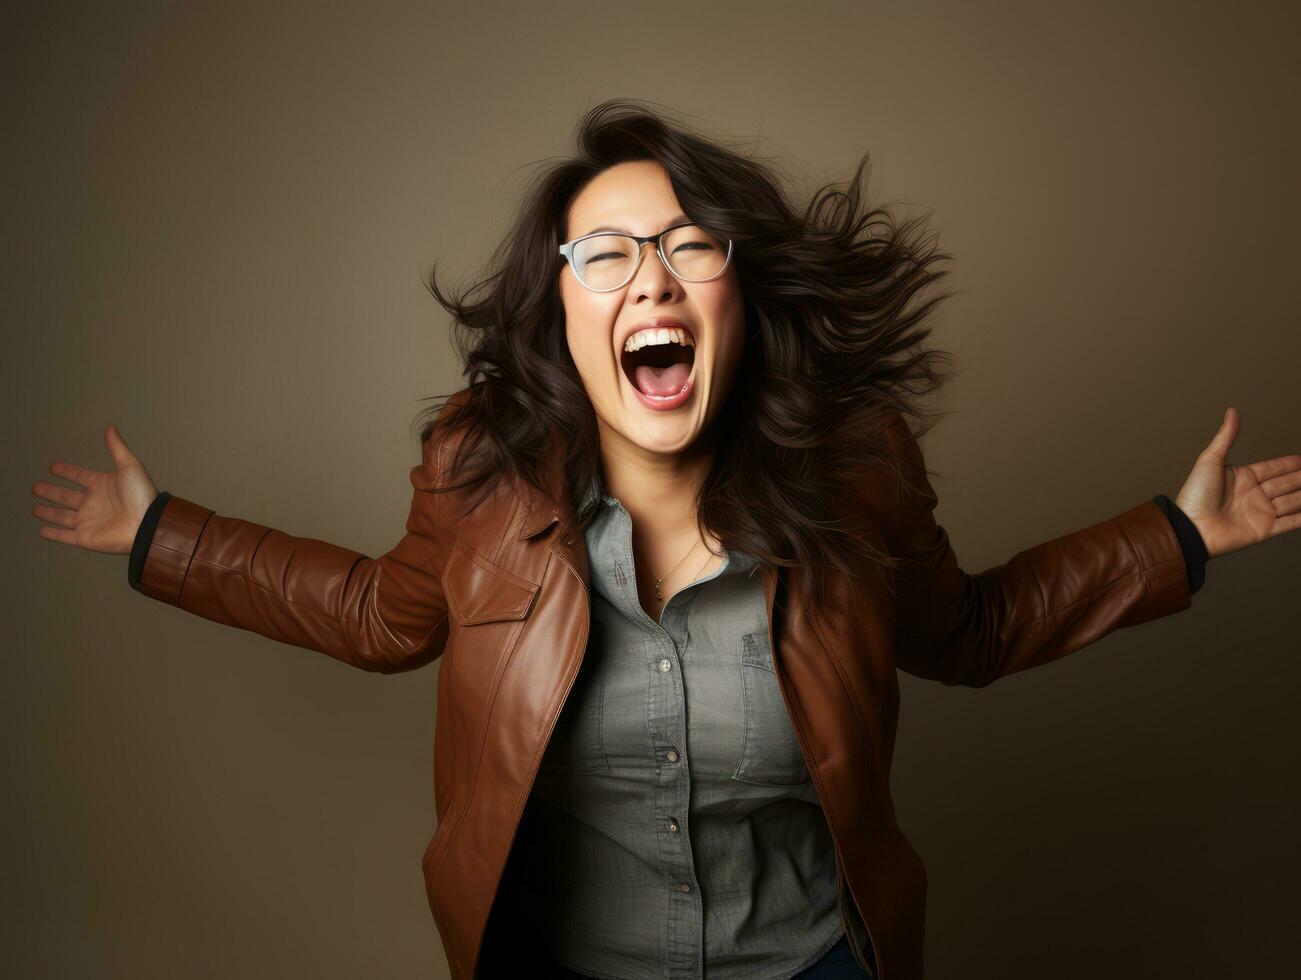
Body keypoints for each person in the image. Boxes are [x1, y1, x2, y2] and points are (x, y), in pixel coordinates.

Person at [30, 99, 1300, 980]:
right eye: (606, 252)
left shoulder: (851, 476)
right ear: (562, 312)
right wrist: (162, 536)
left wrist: (1172, 538)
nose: (652, 275)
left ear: (737, 298)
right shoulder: (479, 480)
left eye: (690, 244)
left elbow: (965, 630)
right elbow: (376, 614)